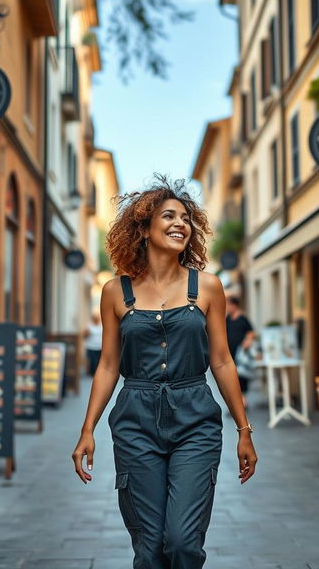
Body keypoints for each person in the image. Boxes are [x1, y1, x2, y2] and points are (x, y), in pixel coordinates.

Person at [71, 176, 258, 568]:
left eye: (187, 218)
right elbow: (107, 364)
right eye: (169, 215)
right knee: (149, 547)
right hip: (135, 421)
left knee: (183, 542)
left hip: (196, 420)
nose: (181, 224)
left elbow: (222, 360)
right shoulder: (114, 291)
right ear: (143, 228)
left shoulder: (207, 287)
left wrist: (244, 430)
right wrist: (88, 429)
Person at [225, 295, 255, 409]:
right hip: (230, 354)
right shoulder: (227, 319)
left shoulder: (243, 319)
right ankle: (235, 404)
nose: (227, 307)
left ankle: (243, 402)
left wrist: (247, 341)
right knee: (231, 379)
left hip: (241, 354)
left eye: (228, 304)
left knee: (241, 377)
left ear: (234, 305)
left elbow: (251, 332)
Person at [84, 309, 103, 376]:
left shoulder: (102, 324)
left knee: (98, 361)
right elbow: (84, 335)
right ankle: (92, 373)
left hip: (99, 346)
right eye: (95, 317)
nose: (96, 319)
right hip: (90, 346)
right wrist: (86, 333)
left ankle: (97, 373)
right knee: (92, 361)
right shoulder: (89, 325)